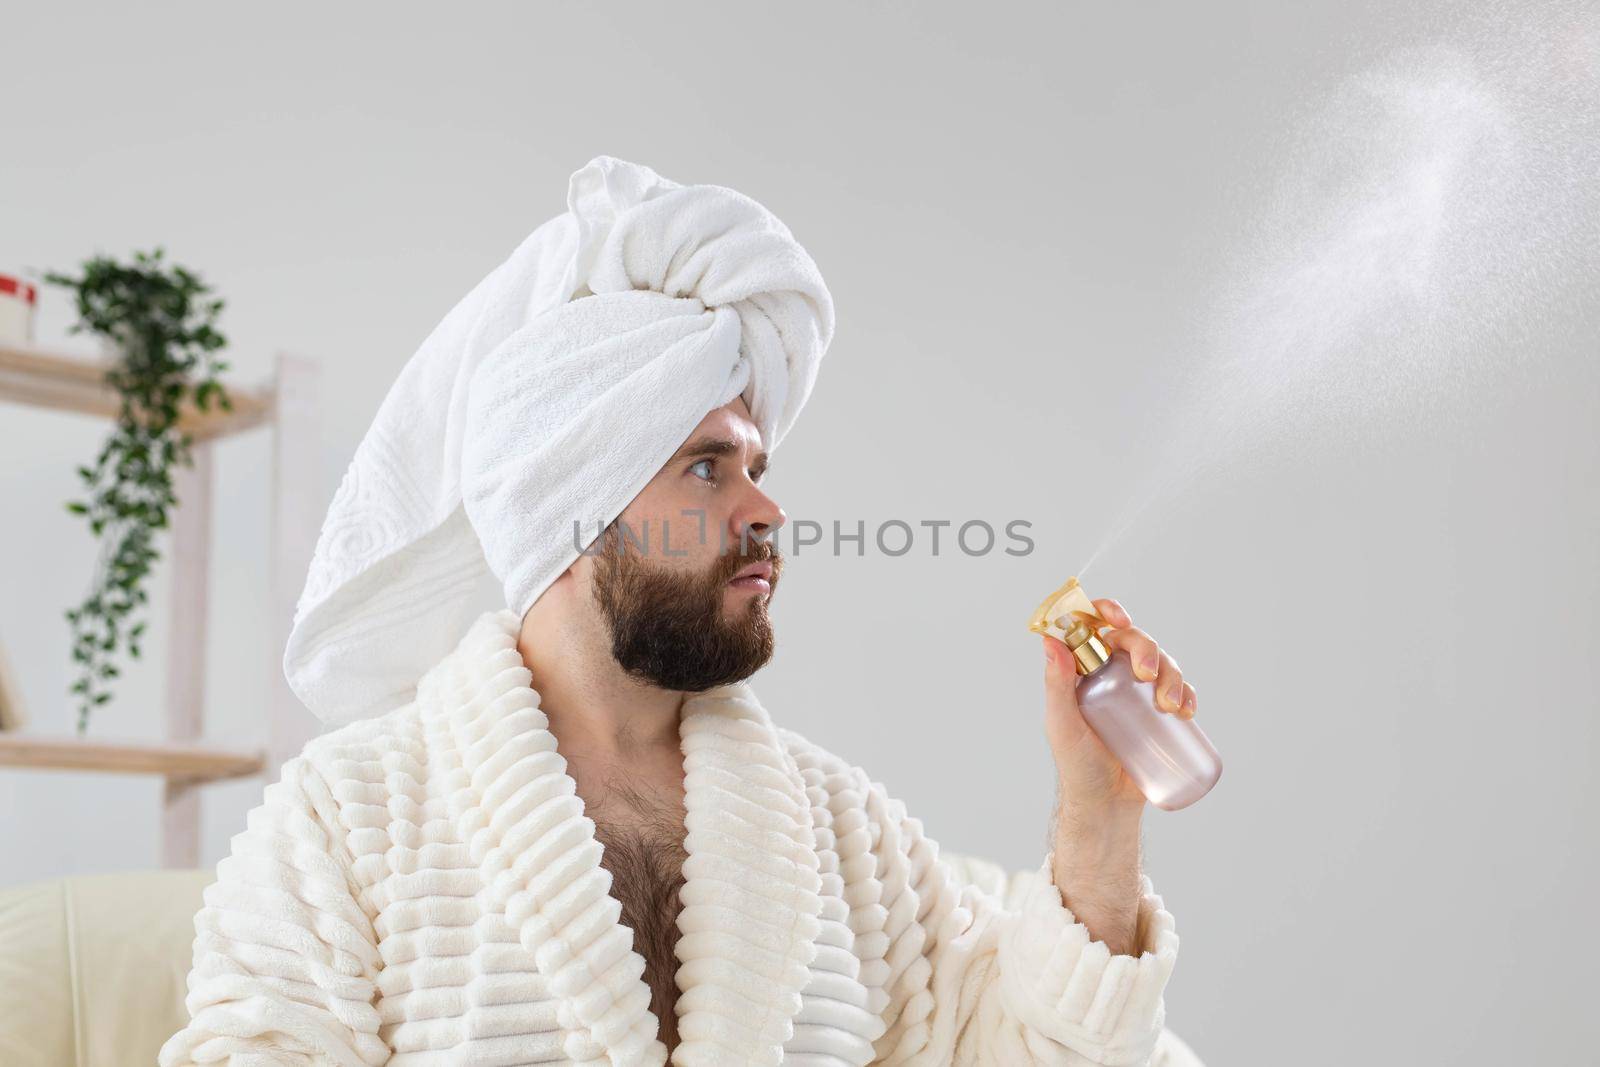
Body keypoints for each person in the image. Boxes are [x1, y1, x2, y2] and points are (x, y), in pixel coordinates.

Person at [159, 156, 1206, 1067]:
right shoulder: (349, 820)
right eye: (707, 465)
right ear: (568, 510)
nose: (766, 508)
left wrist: (1096, 813)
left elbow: (1023, 1051)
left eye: (757, 463)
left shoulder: (843, 828)